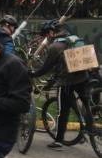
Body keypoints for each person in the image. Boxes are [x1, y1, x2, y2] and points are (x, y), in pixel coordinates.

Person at [29, 20, 93, 149]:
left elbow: (46, 68)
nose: (47, 37)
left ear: (52, 32)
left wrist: (33, 74)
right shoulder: (75, 38)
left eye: (47, 34)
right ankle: (89, 130)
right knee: (86, 105)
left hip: (67, 82)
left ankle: (58, 141)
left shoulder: (55, 47)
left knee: (63, 111)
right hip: (84, 77)